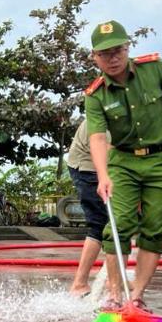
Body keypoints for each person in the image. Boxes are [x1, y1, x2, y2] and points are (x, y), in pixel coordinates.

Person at [84, 20, 162, 311]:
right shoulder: (96, 94)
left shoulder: (154, 68)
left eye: (118, 49)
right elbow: (96, 137)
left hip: (161, 159)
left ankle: (137, 296)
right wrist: (103, 175)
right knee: (117, 226)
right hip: (123, 161)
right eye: (104, 53)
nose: (113, 58)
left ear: (127, 48)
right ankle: (114, 295)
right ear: (95, 57)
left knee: (154, 228)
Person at [65, 118, 110, 297]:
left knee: (122, 223)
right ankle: (79, 283)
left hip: (104, 167)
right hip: (86, 168)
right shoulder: (101, 111)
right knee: (99, 223)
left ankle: (113, 279)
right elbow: (105, 149)